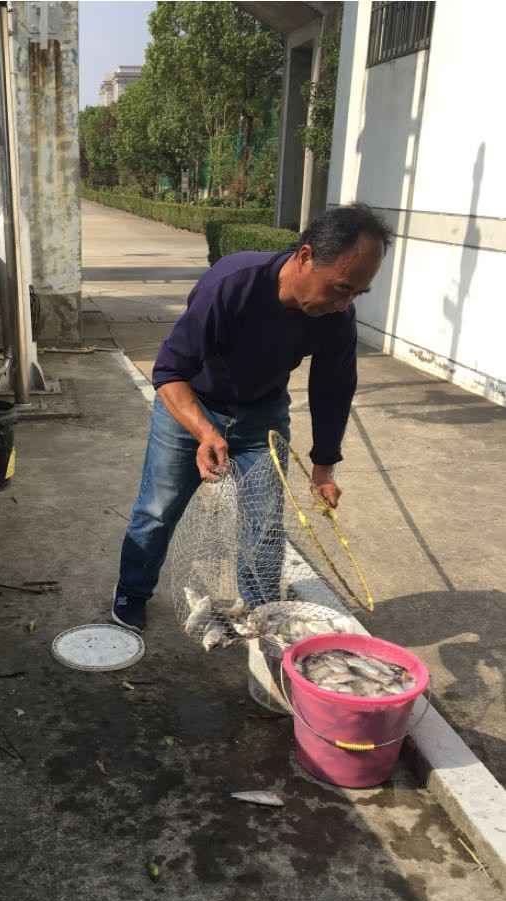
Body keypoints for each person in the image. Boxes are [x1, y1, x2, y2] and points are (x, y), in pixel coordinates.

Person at [111, 202, 392, 634]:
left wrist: (323, 468)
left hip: (263, 414)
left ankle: (261, 611)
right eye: (340, 288)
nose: (344, 303)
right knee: (158, 508)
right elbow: (168, 371)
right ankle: (132, 591)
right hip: (193, 402)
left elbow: (333, 389)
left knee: (263, 522)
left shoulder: (337, 317)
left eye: (356, 293)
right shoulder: (231, 284)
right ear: (305, 257)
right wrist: (203, 431)